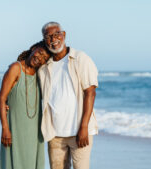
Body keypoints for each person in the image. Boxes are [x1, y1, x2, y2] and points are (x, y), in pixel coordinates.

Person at [38, 22, 99, 169]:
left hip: (80, 131)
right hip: (55, 134)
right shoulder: (44, 67)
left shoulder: (80, 58)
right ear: (44, 40)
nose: (54, 39)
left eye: (57, 34)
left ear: (64, 35)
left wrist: (84, 127)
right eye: (48, 36)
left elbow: (90, 92)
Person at [0, 42, 50, 169]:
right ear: (33, 49)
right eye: (40, 53)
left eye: (44, 58)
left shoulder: (41, 74)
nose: (40, 58)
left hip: (35, 131)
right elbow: (1, 98)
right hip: (15, 128)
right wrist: (5, 128)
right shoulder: (16, 68)